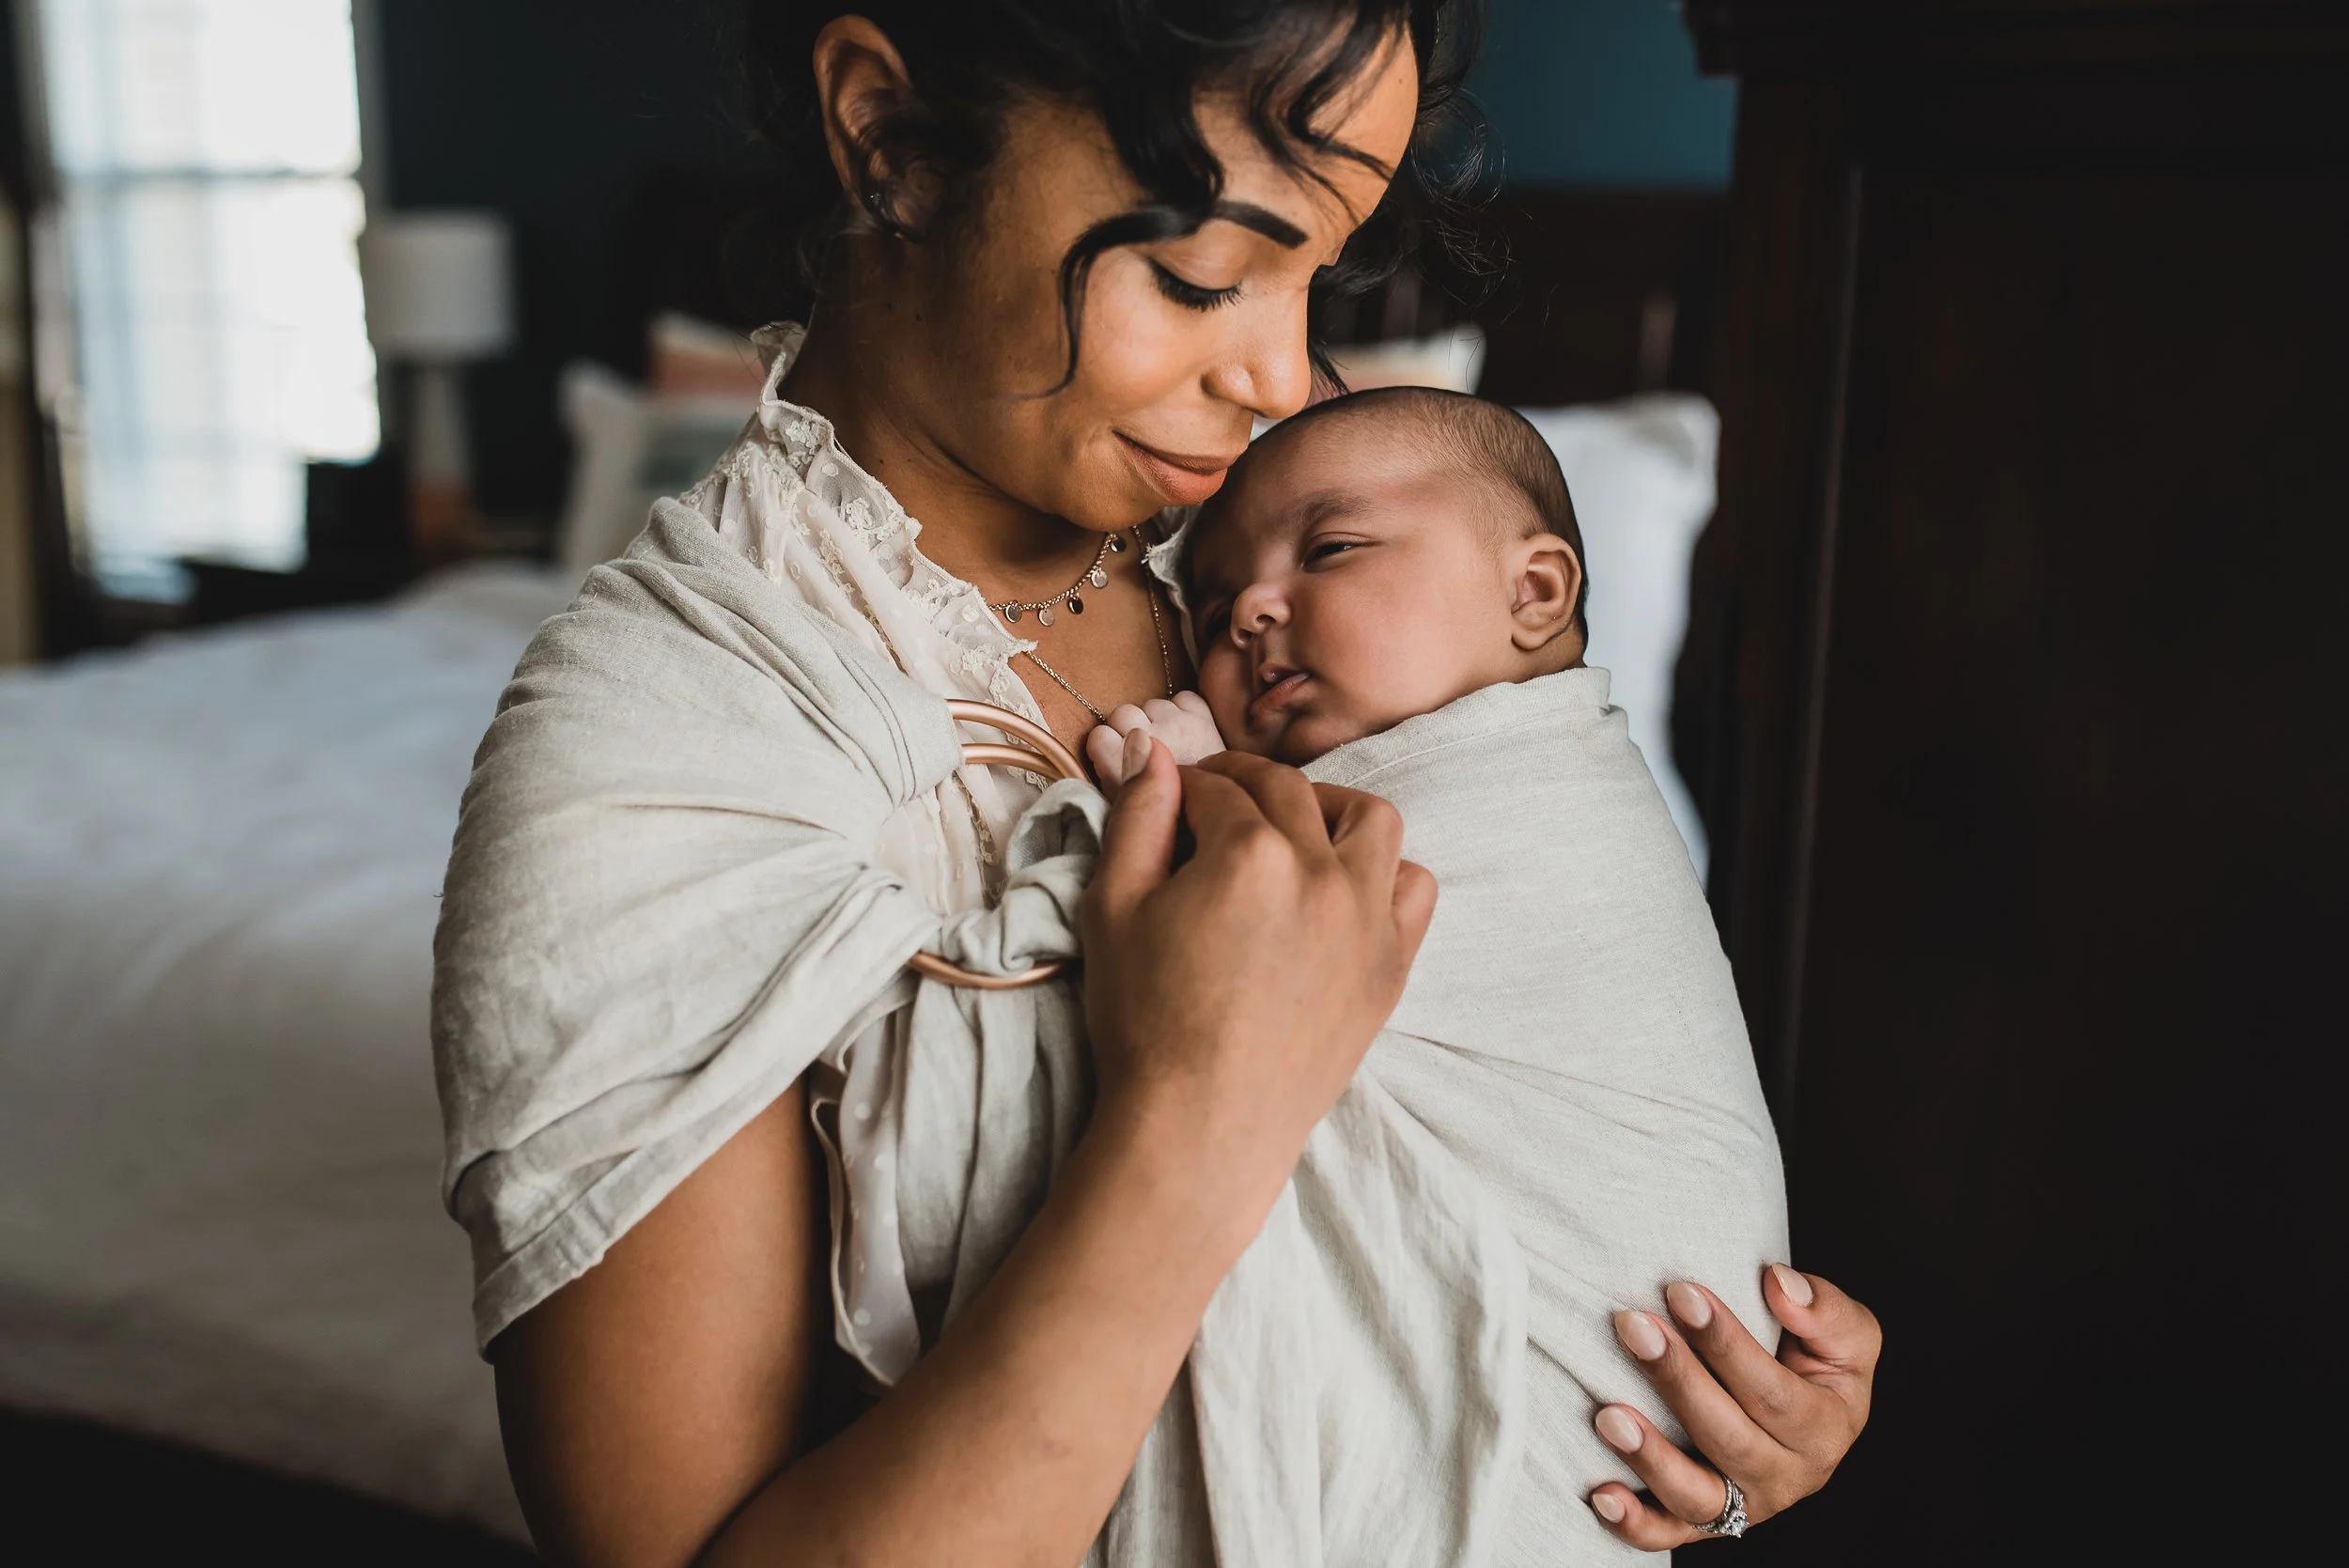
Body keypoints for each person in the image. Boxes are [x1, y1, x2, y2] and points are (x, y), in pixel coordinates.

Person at [440, 7, 1882, 1566]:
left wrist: (1682, 1374)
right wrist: (1196, 1114)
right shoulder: (662, 741)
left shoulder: (1321, 532)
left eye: (1319, 271)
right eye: (1203, 275)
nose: (1278, 375)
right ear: (889, 139)